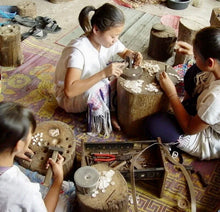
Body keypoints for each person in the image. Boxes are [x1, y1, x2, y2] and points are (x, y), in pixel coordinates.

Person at [55, 3, 142, 137]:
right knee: (103, 84)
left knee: (118, 73)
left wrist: (133, 55)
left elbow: (124, 52)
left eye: (117, 36)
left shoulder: (105, 41)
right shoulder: (78, 51)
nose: (115, 40)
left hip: (89, 82)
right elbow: (69, 91)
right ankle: (104, 117)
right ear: (96, 30)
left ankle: (109, 108)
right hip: (69, 98)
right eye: (113, 36)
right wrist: (104, 73)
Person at [144, 26, 220, 160]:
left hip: (208, 137)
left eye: (196, 56)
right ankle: (186, 108)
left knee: (154, 124)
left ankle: (183, 115)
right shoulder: (215, 64)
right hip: (205, 111)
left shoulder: (216, 99)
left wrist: (172, 94)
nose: (194, 57)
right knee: (193, 71)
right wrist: (195, 51)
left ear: (210, 62)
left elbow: (189, 129)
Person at [0, 101, 69, 212]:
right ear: (19, 144)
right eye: (30, 136)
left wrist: (13, 150)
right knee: (68, 194)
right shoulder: (25, 190)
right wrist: (58, 180)